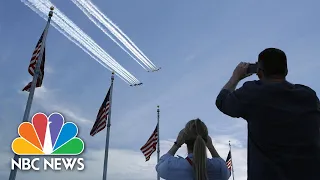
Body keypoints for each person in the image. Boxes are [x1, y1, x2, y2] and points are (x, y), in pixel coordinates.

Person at [215, 48, 320, 180]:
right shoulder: (309, 96)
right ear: (286, 70)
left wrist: (235, 77)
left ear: (259, 72)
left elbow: (222, 101)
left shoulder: (252, 92)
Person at [156, 118, 231, 180]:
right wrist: (210, 146)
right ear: (206, 139)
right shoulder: (219, 168)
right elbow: (225, 168)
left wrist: (177, 144)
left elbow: (159, 165)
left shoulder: (171, 166)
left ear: (184, 139)